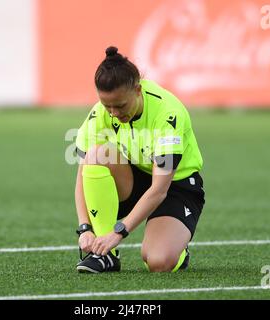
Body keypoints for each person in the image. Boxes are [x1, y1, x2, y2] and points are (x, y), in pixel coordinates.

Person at [74, 46, 205, 273]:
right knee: (95, 155)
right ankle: (106, 256)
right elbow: (83, 175)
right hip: (134, 178)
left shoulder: (167, 113)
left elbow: (159, 190)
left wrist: (118, 232)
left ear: (137, 90)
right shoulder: (100, 113)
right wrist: (84, 227)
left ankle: (177, 250)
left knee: (159, 262)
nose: (113, 113)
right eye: (107, 106)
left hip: (174, 186)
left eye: (120, 105)